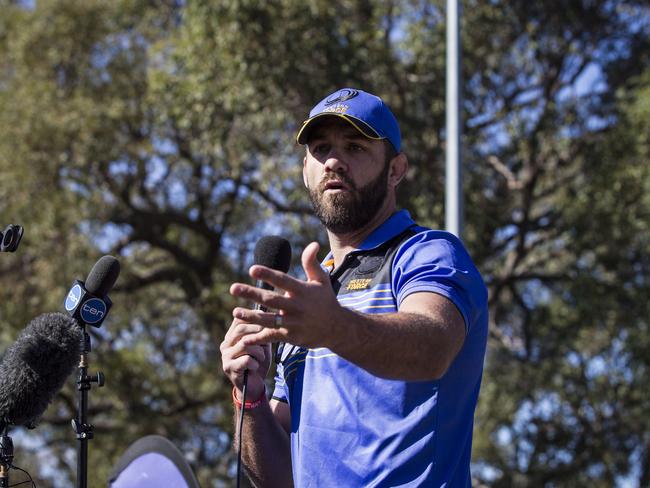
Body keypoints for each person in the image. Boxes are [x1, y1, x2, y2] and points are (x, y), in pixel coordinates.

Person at [220, 88, 488, 487]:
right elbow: (280, 479)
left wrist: (334, 328)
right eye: (321, 147)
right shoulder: (309, 298)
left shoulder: (427, 254)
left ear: (395, 170)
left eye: (355, 147)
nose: (333, 161)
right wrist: (250, 396)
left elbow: (433, 347)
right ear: (305, 170)